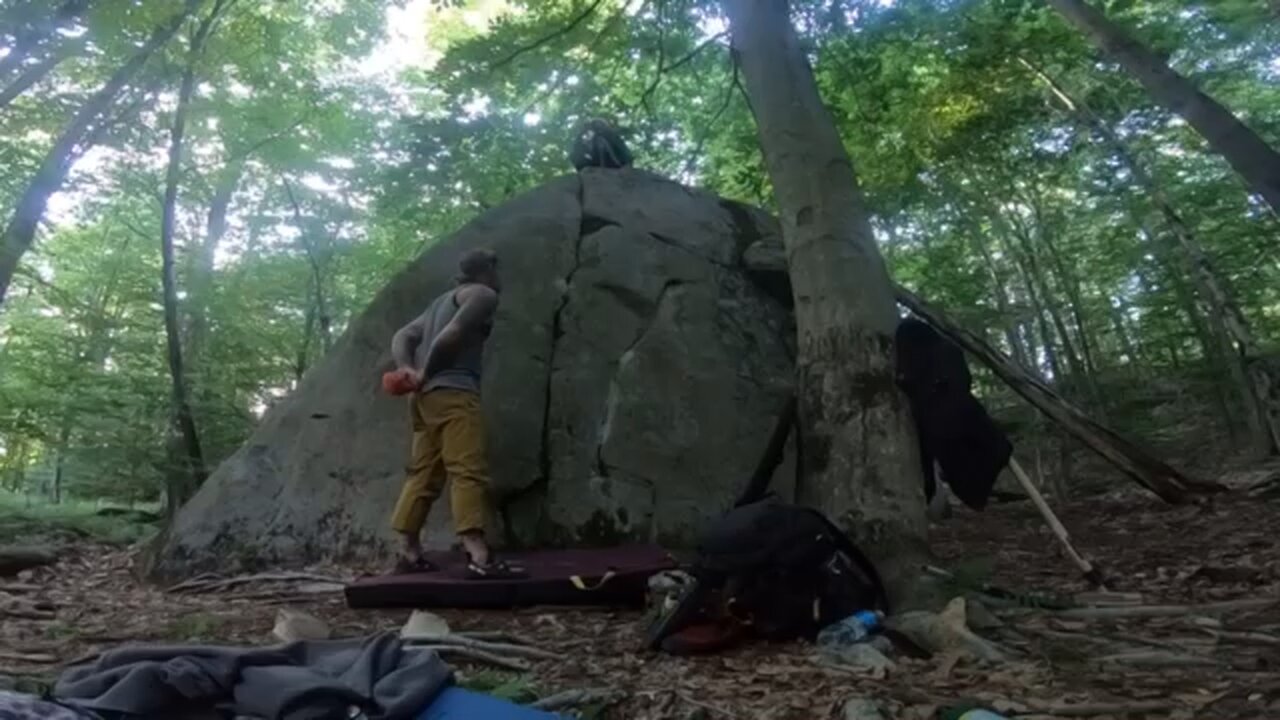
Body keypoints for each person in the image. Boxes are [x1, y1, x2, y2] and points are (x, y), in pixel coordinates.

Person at [387, 248, 525, 579]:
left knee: (423, 473)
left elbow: (403, 334)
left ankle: (408, 550)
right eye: (497, 270)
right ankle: (479, 555)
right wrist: (425, 371)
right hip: (454, 392)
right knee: (467, 470)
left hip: (424, 400)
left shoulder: (441, 301)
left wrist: (407, 369)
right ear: (487, 271)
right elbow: (454, 333)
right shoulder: (483, 294)